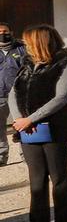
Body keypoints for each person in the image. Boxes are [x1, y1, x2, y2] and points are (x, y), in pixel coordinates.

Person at [8, 25, 67, 222]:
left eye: (29, 42)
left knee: (59, 177)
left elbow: (61, 98)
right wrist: (20, 120)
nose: (26, 46)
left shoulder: (66, 64)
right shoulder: (27, 64)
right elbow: (13, 92)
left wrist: (31, 118)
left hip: (55, 129)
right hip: (28, 131)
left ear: (41, 42)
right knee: (36, 180)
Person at [0, 21, 27, 167]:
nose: (3, 35)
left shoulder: (22, 49)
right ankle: (1, 155)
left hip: (18, 94)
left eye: (5, 32)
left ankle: (26, 154)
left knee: (21, 123)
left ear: (11, 32)